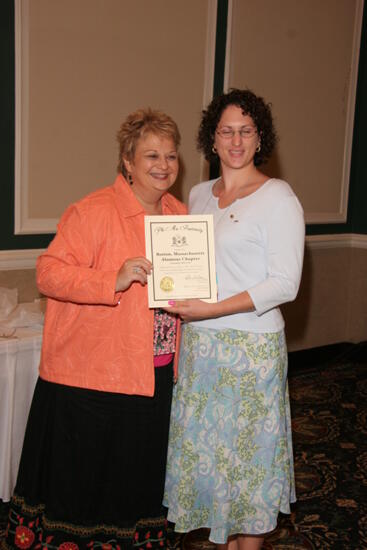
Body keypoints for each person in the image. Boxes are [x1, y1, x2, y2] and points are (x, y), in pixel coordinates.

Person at [5, 108, 187, 549]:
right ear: (127, 161)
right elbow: (48, 272)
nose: (163, 166)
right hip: (93, 379)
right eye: (151, 156)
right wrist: (112, 279)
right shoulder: (93, 211)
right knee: (87, 488)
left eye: (171, 155)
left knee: (136, 482)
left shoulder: (180, 214)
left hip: (156, 371)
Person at [163, 89, 305, 549]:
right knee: (214, 469)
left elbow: (285, 284)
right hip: (202, 352)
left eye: (246, 130)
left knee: (248, 469)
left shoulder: (278, 197)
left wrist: (212, 309)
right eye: (227, 130)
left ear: (260, 137)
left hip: (251, 355)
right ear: (212, 137)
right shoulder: (199, 194)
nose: (236, 140)